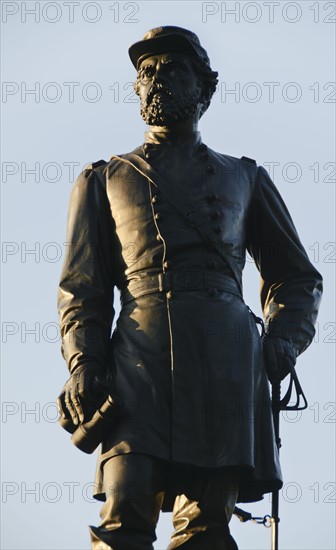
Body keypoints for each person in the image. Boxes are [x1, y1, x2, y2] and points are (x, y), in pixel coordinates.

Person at [57, 26, 323, 550]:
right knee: (124, 507)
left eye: (173, 69)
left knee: (206, 527)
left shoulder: (245, 179)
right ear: (136, 89)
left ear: (205, 89)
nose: (157, 79)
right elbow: (82, 290)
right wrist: (83, 365)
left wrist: (282, 341)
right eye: (146, 72)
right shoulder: (104, 178)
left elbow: (297, 277)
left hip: (224, 363)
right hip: (138, 358)